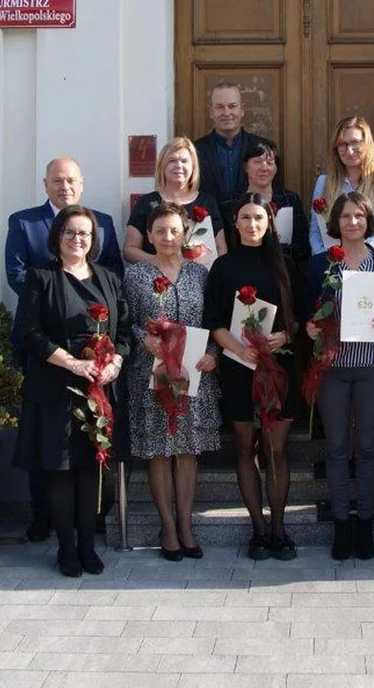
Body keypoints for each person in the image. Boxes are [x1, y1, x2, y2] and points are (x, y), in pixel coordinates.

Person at [4, 157, 124, 543]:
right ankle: (52, 527)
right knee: (53, 457)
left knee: (90, 460)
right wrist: (59, 304)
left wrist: (113, 359)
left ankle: (90, 533)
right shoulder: (27, 230)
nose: (65, 186)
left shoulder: (103, 235)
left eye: (71, 180)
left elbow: (118, 309)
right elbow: (19, 282)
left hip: (96, 374)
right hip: (55, 362)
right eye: (57, 180)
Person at [304, 192, 374, 560]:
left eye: (358, 216)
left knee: (366, 447)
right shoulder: (321, 265)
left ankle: (365, 525)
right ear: (336, 221)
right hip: (333, 368)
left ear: (368, 221)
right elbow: (307, 313)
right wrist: (311, 328)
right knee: (335, 448)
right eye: (345, 216)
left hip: (373, 365)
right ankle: (341, 525)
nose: (352, 222)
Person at [205, 192, 304, 561]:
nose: (252, 224)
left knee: (276, 450)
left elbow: (300, 315)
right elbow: (212, 319)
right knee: (245, 447)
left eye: (258, 218)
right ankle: (258, 531)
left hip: (278, 366)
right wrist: (236, 348)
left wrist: (285, 334)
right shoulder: (223, 266)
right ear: (236, 223)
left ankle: (280, 528)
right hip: (238, 365)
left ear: (269, 222)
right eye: (245, 217)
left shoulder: (286, 265)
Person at [124, 203, 222, 562]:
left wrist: (214, 352)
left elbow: (215, 320)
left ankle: (186, 525)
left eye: (174, 230)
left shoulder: (200, 274)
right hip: (152, 373)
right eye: (160, 231)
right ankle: (167, 527)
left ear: (185, 234)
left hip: (194, 371)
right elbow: (126, 320)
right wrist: (141, 338)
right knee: (159, 451)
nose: (168, 237)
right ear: (148, 236)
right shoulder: (136, 275)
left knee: (186, 450)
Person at [309, 116, 374, 256]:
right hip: (333, 265)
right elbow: (315, 230)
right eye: (342, 144)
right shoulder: (324, 182)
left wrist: (371, 247)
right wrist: (325, 257)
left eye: (355, 142)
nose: (349, 151)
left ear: (367, 144)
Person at [125, 137, 227, 267]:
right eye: (172, 161)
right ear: (163, 165)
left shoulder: (208, 202)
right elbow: (130, 249)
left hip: (201, 280)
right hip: (158, 281)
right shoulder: (147, 203)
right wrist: (161, 263)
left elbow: (220, 247)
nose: (179, 166)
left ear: (193, 167)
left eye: (184, 161)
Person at [194, 82, 280, 212]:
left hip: (252, 226)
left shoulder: (263, 149)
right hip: (209, 227)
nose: (226, 112)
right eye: (219, 107)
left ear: (242, 110)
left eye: (232, 106)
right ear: (211, 112)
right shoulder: (195, 150)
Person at [235, 138, 309, 263]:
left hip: (283, 269)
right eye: (257, 162)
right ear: (246, 166)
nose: (264, 168)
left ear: (276, 168)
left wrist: (275, 251)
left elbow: (302, 246)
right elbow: (229, 243)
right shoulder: (233, 202)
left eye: (270, 163)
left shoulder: (290, 199)